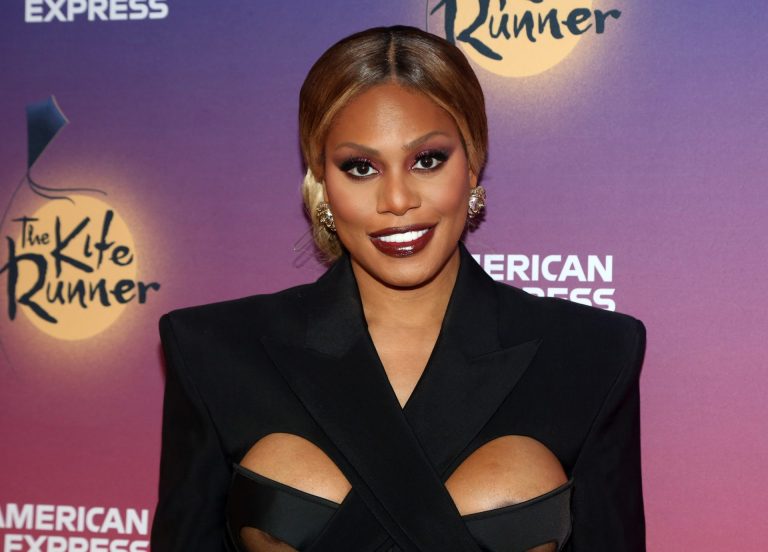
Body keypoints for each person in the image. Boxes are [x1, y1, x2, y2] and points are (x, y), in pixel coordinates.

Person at [150, 26, 646, 552]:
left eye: (427, 160)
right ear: (322, 180)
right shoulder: (214, 350)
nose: (397, 199)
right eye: (360, 167)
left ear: (473, 162)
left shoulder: (591, 354)